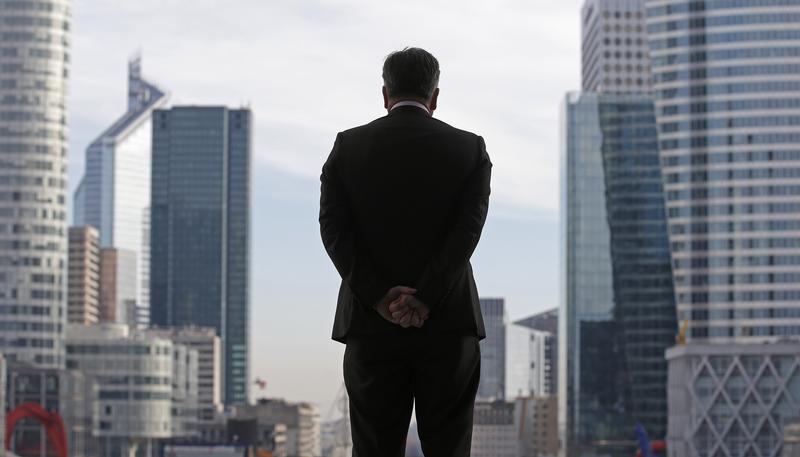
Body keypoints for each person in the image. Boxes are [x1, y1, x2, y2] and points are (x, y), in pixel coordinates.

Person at [319, 47, 492, 457]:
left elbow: (334, 231)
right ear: (434, 96)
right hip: (449, 324)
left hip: (369, 326)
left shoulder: (348, 147)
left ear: (385, 94)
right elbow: (467, 233)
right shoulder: (470, 150)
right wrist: (426, 297)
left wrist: (380, 297)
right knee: (448, 447)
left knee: (375, 448)